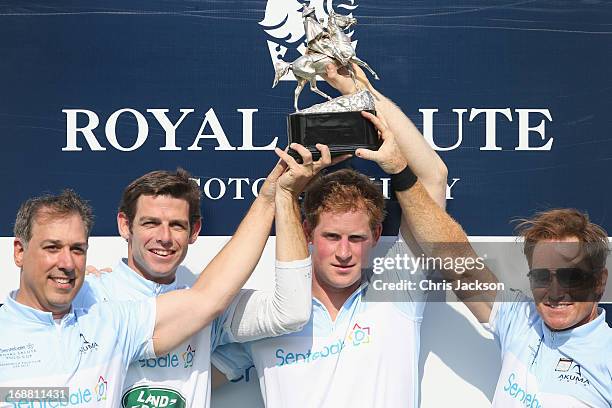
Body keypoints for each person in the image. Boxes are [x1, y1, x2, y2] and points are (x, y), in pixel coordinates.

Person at [0, 147, 330, 406]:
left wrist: (278, 198)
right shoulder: (90, 299)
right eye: (150, 223)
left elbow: (282, 310)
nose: (164, 237)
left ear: (194, 231)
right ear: (124, 226)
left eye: (176, 225)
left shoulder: (116, 320)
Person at [211, 64, 448, 407]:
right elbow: (192, 377)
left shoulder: (398, 293)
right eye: (332, 236)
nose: (343, 252)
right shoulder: (270, 317)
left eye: (356, 239)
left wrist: (361, 95)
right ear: (307, 233)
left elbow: (433, 177)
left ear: (377, 235)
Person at [384, 171, 612, 404]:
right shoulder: (522, 319)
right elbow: (460, 266)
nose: (554, 292)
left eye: (570, 276)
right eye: (542, 276)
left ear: (599, 281)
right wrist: (401, 172)